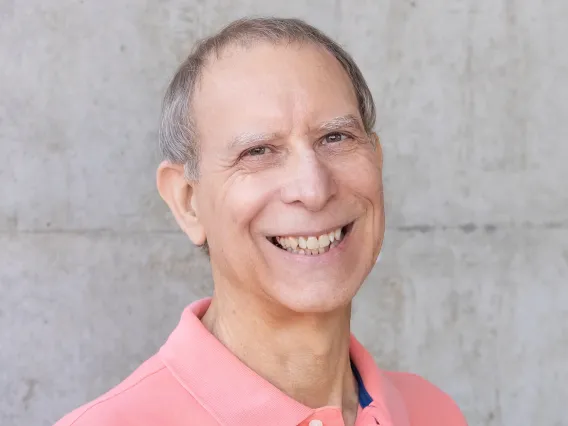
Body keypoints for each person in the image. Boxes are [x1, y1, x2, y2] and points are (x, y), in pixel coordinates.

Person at [54, 17, 468, 426]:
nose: (313, 189)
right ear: (187, 201)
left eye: (335, 138)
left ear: (376, 161)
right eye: (258, 151)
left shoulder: (434, 412)